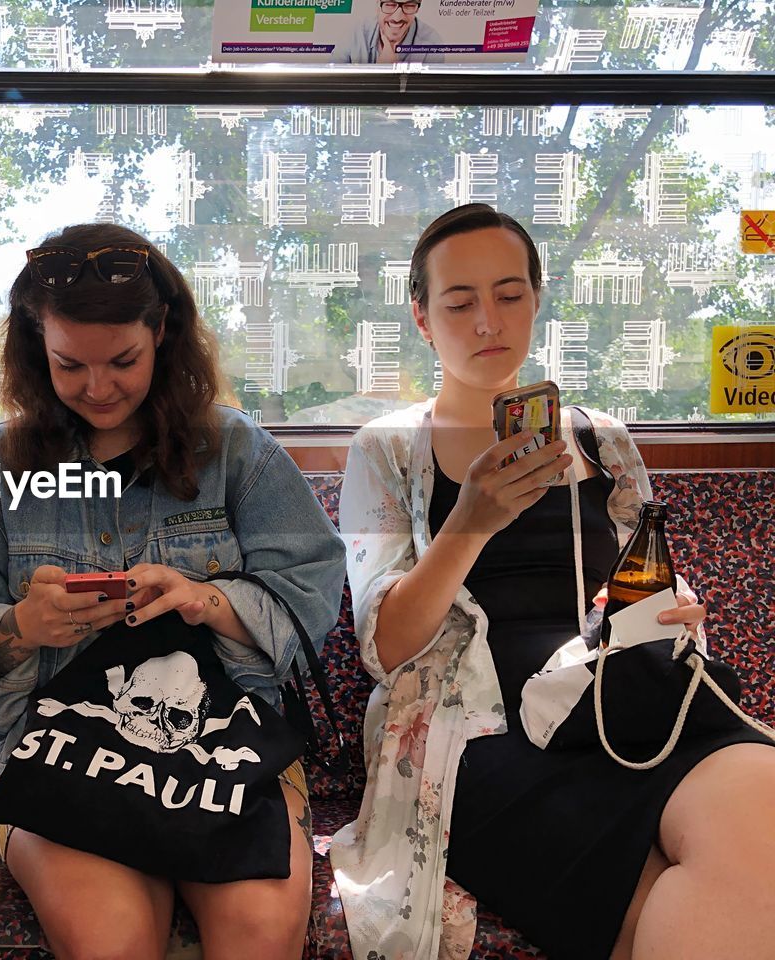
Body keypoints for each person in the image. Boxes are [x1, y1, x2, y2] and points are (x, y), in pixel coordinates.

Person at [331, 203, 775, 960]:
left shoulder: (601, 440)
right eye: (459, 301)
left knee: (760, 814)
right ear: (422, 317)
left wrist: (669, 608)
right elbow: (386, 648)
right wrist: (470, 519)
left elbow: (654, 582)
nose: (486, 321)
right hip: (481, 735)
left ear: (537, 300)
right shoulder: (387, 449)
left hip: (625, 701)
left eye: (509, 295)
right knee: (674, 903)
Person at [0, 223, 346, 960]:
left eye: (123, 361)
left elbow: (310, 609)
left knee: (259, 940)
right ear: (33, 350)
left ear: (162, 334)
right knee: (112, 945)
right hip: (53, 751)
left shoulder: (239, 454)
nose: (98, 387)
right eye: (69, 365)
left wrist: (204, 599)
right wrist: (21, 628)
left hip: (230, 746)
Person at [339, 0, 446, 65]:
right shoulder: (355, 33)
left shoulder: (432, 43)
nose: (397, 18)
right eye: (390, 4)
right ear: (377, 3)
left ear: (417, 8)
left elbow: (427, 97)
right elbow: (333, 87)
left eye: (409, 5)